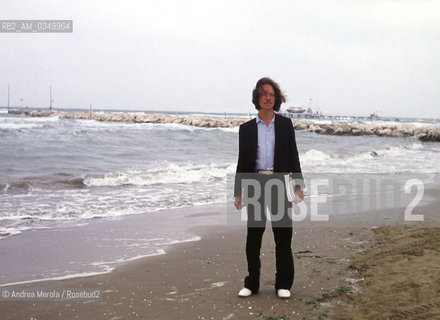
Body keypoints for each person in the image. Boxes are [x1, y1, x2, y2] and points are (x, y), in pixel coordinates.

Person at [234, 77, 304, 299]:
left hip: (279, 183)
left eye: (272, 95)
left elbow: (293, 155)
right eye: (263, 94)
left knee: (283, 237)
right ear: (257, 98)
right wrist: (238, 192)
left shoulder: (285, 125)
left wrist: (298, 183)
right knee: (253, 237)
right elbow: (242, 161)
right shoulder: (246, 129)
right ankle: (251, 283)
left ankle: (283, 283)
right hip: (255, 184)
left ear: (276, 99)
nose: (268, 98)